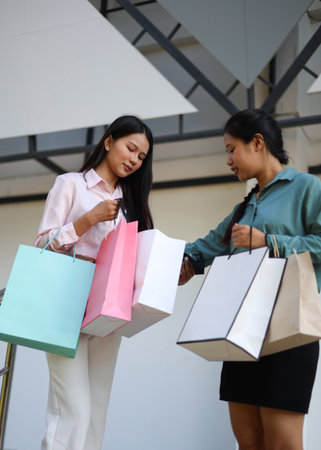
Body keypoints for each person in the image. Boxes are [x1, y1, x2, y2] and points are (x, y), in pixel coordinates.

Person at [179, 109, 321, 450]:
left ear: (257, 143)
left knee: (282, 442)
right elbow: (205, 247)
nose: (228, 159)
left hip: (289, 331)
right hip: (240, 330)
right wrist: (176, 261)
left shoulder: (307, 187)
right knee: (248, 441)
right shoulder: (243, 208)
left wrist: (268, 241)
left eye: (232, 149)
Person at [34, 115, 154, 450]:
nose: (134, 159)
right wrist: (86, 221)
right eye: (131, 148)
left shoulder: (129, 203)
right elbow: (41, 245)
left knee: (97, 411)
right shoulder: (70, 184)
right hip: (64, 302)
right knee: (72, 412)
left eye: (141, 157)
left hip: (107, 308)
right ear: (108, 141)